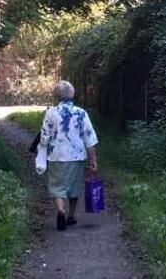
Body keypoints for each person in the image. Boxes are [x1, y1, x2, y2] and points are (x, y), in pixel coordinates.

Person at [36, 80, 98, 231]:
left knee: (58, 185)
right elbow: (89, 137)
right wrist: (93, 159)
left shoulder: (51, 113)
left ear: (57, 95)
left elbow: (44, 135)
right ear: (72, 94)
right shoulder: (81, 113)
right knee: (74, 187)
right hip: (76, 156)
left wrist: (42, 147)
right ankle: (71, 216)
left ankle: (60, 210)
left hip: (56, 155)